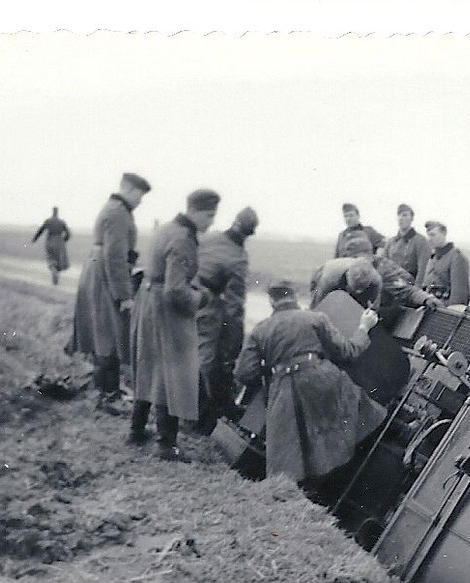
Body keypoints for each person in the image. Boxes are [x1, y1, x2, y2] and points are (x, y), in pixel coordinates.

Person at [233, 278, 387, 488]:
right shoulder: (315, 319)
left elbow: (244, 373)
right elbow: (348, 351)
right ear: (295, 296)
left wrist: (273, 370)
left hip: (283, 389)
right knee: (357, 418)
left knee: (288, 456)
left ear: (271, 301)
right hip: (322, 380)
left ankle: (301, 492)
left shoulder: (261, 330)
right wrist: (363, 327)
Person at [128, 189, 220, 462]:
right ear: (196, 211)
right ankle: (166, 444)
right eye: (209, 215)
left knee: (149, 368)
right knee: (173, 373)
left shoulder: (167, 228)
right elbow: (176, 290)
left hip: (148, 304)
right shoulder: (183, 239)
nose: (211, 222)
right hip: (166, 311)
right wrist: (201, 298)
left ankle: (135, 429)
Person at [66, 172, 151, 414]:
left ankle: (104, 388)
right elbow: (115, 256)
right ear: (132, 191)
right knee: (110, 334)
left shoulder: (114, 209)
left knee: (102, 331)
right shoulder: (118, 214)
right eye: (140, 197)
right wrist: (124, 296)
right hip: (106, 275)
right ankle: (107, 394)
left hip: (99, 271)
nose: (140, 202)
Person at [193, 206, 259, 435]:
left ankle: (216, 407)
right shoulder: (238, 257)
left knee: (192, 355)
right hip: (207, 302)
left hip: (187, 293)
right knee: (207, 360)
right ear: (249, 233)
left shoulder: (209, 237)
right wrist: (235, 335)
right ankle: (201, 418)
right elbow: (234, 303)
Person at [311, 234, 442, 327]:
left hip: (376, 315)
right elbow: (318, 304)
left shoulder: (383, 270)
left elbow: (407, 291)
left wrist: (426, 298)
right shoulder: (329, 275)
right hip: (339, 308)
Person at [416, 220, 470, 306]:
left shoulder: (456, 257)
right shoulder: (432, 258)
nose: (430, 239)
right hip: (431, 306)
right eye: (428, 235)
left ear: (444, 234)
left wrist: (452, 314)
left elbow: (459, 295)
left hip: (445, 309)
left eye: (433, 235)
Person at [384, 203, 431, 280]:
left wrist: (417, 290)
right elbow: (383, 266)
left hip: (410, 286)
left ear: (411, 218)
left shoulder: (420, 241)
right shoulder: (391, 242)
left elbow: (423, 269)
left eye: (405, 215)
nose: (401, 218)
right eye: (399, 215)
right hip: (391, 284)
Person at [32, 207, 71, 285]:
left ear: (52, 212)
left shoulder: (48, 221)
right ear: (57, 212)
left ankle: (54, 271)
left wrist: (34, 239)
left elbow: (40, 231)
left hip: (50, 241)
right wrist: (64, 240)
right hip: (59, 242)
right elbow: (68, 234)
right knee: (58, 259)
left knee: (51, 258)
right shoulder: (61, 222)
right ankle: (56, 275)